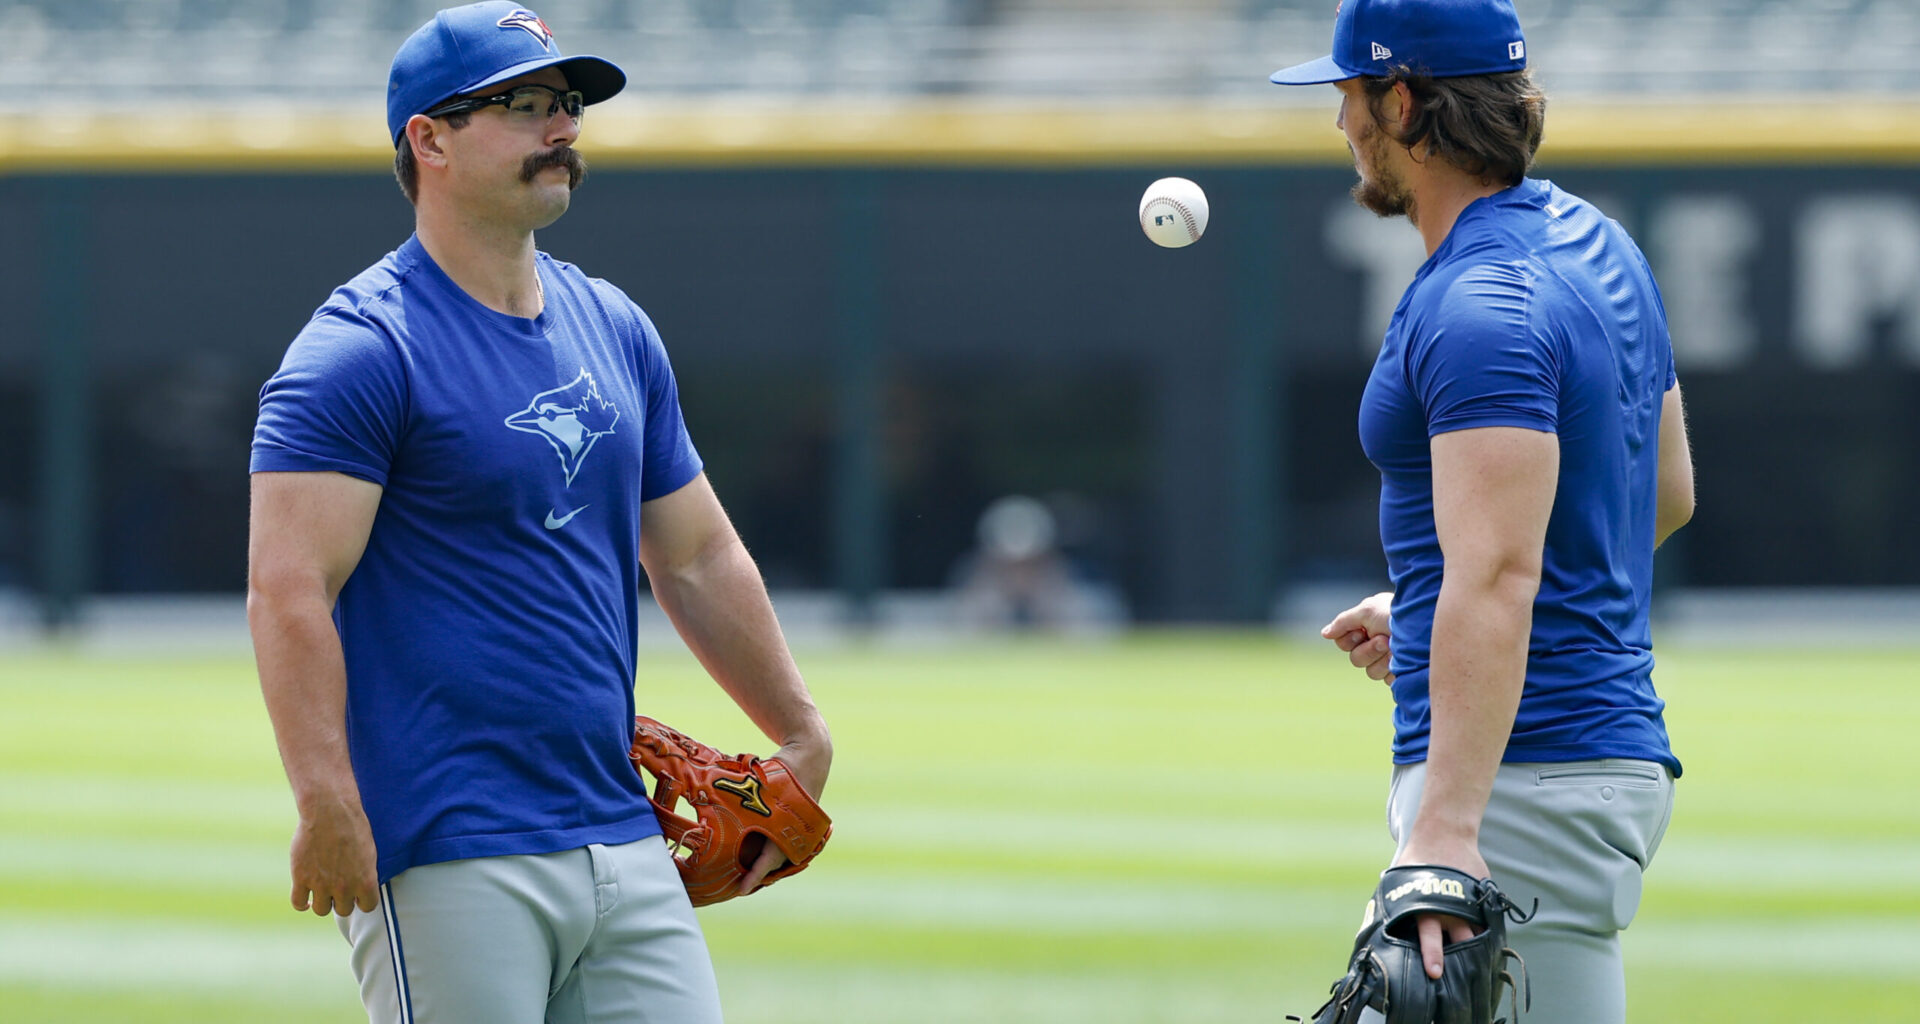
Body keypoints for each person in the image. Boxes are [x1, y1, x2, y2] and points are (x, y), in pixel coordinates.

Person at [246, 5, 831, 1022]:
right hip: (447, 842)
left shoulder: (614, 326)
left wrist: (798, 727)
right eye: (521, 106)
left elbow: (694, 554)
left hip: (617, 825)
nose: (560, 128)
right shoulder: (362, 350)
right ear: (428, 139)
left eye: (565, 105)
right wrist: (325, 798)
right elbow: (290, 585)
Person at [1269, 1, 1694, 1020]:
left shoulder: (1479, 302)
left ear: (1403, 102)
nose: (1340, 125)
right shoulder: (1601, 245)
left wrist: (1449, 828)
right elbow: (1664, 495)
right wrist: (1429, 607)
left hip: (1515, 784)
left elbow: (1501, 572)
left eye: (1349, 95)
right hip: (1577, 759)